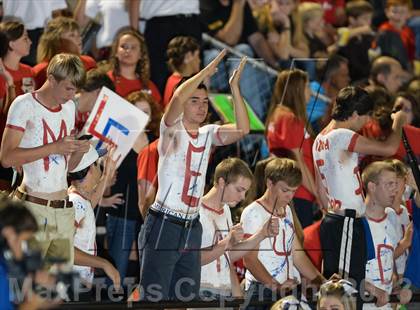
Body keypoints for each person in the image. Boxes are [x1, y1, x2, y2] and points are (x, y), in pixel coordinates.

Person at [138, 50, 250, 301]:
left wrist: (235, 87)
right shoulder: (171, 130)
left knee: (184, 299)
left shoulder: (208, 132)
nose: (201, 106)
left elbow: (243, 128)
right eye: (194, 100)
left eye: (204, 101)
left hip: (192, 225)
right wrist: (204, 72)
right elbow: (178, 96)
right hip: (164, 222)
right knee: (153, 300)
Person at [313, 86, 407, 308]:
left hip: (336, 219)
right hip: (345, 220)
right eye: (365, 117)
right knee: (345, 289)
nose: (366, 124)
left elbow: (319, 188)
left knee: (342, 287)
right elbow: (390, 147)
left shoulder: (320, 138)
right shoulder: (341, 135)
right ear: (354, 114)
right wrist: (399, 121)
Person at [0, 53, 90, 267]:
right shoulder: (24, 105)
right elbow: (6, 158)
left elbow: (65, 167)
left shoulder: (68, 108)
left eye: (75, 89)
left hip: (64, 208)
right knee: (25, 284)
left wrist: (79, 151)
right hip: (33, 206)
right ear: (51, 78)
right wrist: (54, 147)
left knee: (57, 289)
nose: (72, 95)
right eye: (68, 88)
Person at [241, 157, 325, 310]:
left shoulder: (286, 210)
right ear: (269, 183)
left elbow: (297, 255)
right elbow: (250, 260)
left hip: (286, 290)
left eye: (294, 191)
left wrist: (321, 281)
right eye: (285, 190)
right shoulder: (253, 212)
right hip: (262, 292)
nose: (290, 196)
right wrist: (275, 286)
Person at [198, 157, 278, 299]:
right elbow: (192, 260)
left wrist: (262, 234)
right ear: (222, 182)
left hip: (224, 291)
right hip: (200, 291)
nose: (242, 197)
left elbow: (226, 257)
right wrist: (228, 241)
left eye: (245, 192)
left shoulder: (226, 211)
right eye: (239, 190)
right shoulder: (196, 211)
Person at [106, 90, 161, 285]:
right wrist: (104, 199)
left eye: (145, 112)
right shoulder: (119, 138)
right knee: (116, 274)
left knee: (148, 274)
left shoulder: (158, 139)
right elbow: (105, 172)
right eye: (137, 112)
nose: (142, 117)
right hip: (123, 214)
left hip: (150, 213)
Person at [200, 0, 278, 120]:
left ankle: (252, 119)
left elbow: (256, 38)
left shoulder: (240, 3)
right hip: (215, 68)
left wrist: (276, 66)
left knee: (263, 72)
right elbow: (229, 39)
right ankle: (249, 121)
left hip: (237, 66)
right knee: (243, 50)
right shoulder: (205, 5)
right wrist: (238, 5)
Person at [266, 69, 318, 228]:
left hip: (289, 190)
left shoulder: (278, 114)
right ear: (296, 90)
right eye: (307, 86)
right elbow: (298, 162)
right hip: (298, 192)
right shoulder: (289, 119)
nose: (311, 91)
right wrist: (318, 195)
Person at [69, 145, 121, 294]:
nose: (101, 167)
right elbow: (64, 249)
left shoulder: (79, 199)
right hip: (73, 286)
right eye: (99, 164)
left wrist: (106, 175)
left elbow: (91, 202)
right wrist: (104, 264)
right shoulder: (76, 203)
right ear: (91, 169)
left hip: (77, 283)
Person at [361, 161, 411, 309]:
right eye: (389, 184)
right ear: (372, 186)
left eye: (395, 184)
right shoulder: (356, 222)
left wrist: (396, 289)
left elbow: (387, 260)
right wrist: (374, 290)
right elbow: (342, 274)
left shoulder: (391, 216)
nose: (394, 190)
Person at [129, 0, 202, 93]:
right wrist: (135, 36)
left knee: (194, 79)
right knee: (159, 80)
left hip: (189, 20)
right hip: (160, 23)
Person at [0, 197, 54, 310]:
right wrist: (33, 303)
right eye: (24, 242)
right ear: (9, 234)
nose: (26, 249)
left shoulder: (10, 262)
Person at [0, 21, 34, 190]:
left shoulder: (29, 71)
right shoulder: (1, 74)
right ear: (11, 44)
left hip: (26, 144)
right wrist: (10, 83)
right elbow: (7, 116)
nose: (30, 41)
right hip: (5, 144)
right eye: (25, 38)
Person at [34, 17, 96, 89]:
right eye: (72, 35)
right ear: (56, 41)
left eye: (79, 34)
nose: (79, 38)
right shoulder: (41, 70)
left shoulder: (89, 63)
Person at [107, 28, 161, 103]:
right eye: (124, 46)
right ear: (116, 51)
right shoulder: (106, 81)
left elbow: (158, 113)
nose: (128, 51)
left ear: (140, 55)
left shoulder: (149, 87)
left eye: (133, 48)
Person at [336, 1, 375, 82]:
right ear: (352, 20)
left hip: (368, 77)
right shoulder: (343, 34)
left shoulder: (368, 36)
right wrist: (357, 31)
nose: (369, 22)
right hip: (352, 80)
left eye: (370, 18)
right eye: (365, 18)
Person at [374, 0, 415, 70]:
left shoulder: (408, 31)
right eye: (394, 12)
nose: (398, 16)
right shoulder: (385, 32)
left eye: (402, 12)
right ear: (387, 12)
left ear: (409, 14)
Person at [163, 36, 201, 109]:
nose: (199, 60)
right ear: (188, 56)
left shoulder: (171, 79)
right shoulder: (183, 84)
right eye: (197, 56)